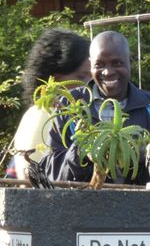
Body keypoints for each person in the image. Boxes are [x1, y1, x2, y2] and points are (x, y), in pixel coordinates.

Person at [46, 30, 150, 183]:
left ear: (129, 62)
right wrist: (80, 152)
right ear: (91, 65)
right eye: (99, 65)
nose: (108, 72)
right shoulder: (70, 106)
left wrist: (144, 154)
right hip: (85, 204)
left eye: (117, 63)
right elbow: (51, 173)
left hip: (142, 204)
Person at [11, 29, 91, 180]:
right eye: (81, 77)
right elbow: (34, 181)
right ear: (54, 79)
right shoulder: (44, 115)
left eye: (90, 77)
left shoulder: (62, 115)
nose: (89, 85)